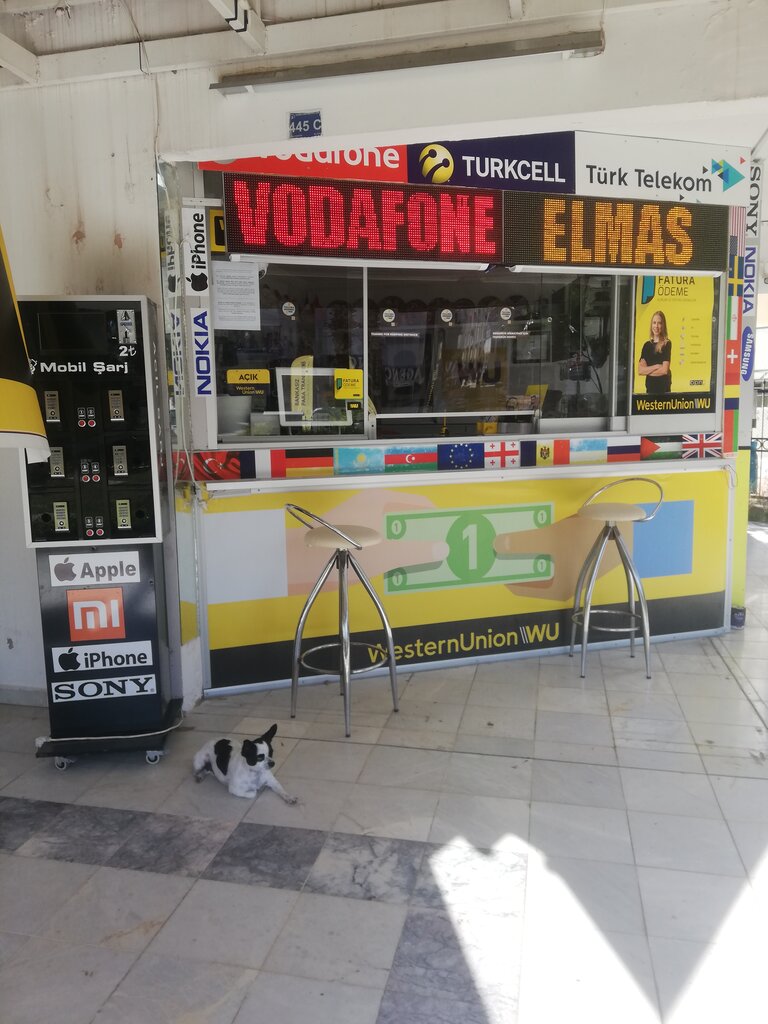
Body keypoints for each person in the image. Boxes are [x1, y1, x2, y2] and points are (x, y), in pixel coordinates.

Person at [637, 310, 672, 394]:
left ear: (663, 325)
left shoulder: (666, 343)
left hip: (663, 391)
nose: (656, 326)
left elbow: (664, 370)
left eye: (659, 323)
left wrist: (648, 371)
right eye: (654, 323)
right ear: (651, 325)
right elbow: (640, 371)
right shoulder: (646, 345)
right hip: (650, 390)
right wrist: (656, 366)